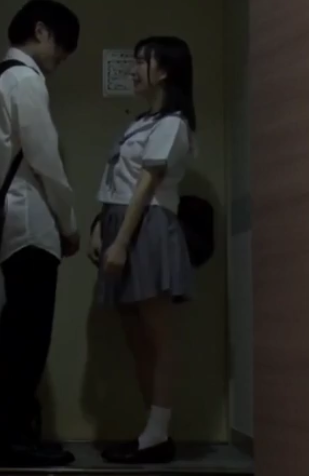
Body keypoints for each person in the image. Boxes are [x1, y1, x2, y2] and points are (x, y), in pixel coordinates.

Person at [0, 0, 80, 468]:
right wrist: (70, 225)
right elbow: (47, 162)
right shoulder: (24, 80)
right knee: (28, 341)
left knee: (18, 337)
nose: (63, 57)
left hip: (12, 226)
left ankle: (10, 434)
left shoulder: (1, 78)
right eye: (64, 45)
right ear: (41, 31)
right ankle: (12, 439)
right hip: (31, 227)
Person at [88, 36, 197, 464]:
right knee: (135, 336)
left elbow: (147, 186)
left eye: (140, 62)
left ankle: (157, 434)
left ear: (164, 71)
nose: (132, 70)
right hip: (123, 224)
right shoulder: (141, 121)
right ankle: (151, 432)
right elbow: (118, 182)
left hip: (147, 226)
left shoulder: (173, 124)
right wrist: (100, 227)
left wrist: (120, 242)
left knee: (158, 336)